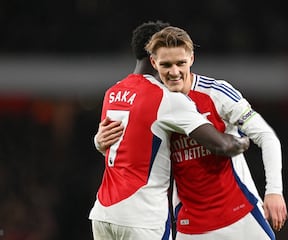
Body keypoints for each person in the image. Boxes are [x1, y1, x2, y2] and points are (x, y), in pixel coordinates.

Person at [88, 21, 250, 240]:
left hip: (103, 213)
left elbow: (120, 147)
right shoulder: (167, 99)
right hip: (142, 219)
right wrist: (242, 141)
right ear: (155, 55)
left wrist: (97, 142)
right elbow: (220, 144)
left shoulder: (112, 93)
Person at [144, 26, 288, 239]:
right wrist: (99, 141)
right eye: (166, 65)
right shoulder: (152, 104)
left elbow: (266, 137)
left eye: (180, 63)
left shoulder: (217, 93)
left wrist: (274, 191)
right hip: (190, 226)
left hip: (240, 215)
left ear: (191, 59)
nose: (174, 72)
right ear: (154, 63)